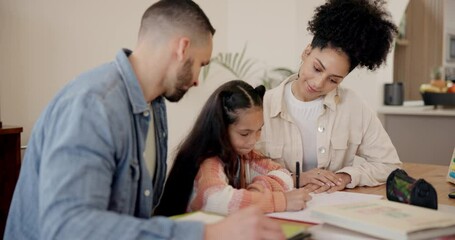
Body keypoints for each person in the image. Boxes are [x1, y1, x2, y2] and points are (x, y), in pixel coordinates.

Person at [5, 1, 286, 240]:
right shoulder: (93, 105)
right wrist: (208, 233)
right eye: (201, 64)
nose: (199, 80)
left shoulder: (154, 108)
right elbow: (70, 227)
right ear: (182, 48)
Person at [259, 0, 402, 194]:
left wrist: (346, 177)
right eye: (317, 68)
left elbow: (389, 165)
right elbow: (242, 172)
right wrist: (296, 180)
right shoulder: (262, 107)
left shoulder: (353, 106)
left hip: (332, 209)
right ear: (306, 52)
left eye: (333, 80)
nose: (319, 83)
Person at [155, 80, 311, 217]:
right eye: (245, 133)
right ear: (221, 127)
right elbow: (216, 199)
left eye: (259, 130)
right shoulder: (208, 159)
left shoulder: (245, 155)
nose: (253, 141)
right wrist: (281, 201)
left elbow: (283, 174)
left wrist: (257, 191)